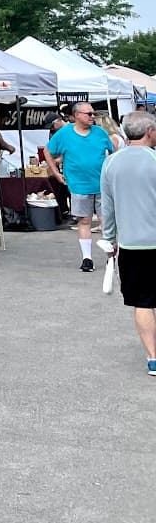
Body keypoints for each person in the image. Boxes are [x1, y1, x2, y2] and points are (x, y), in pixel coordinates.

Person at [100, 111, 156, 376]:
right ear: (150, 132)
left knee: (143, 302)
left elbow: (107, 208)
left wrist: (110, 239)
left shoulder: (110, 163)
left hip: (132, 245)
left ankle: (153, 358)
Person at [44, 103, 115, 272]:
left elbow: (113, 153)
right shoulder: (64, 134)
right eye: (88, 113)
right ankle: (87, 258)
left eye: (93, 113)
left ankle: (111, 258)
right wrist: (55, 173)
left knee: (107, 222)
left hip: (102, 184)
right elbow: (48, 151)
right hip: (78, 184)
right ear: (76, 115)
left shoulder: (100, 132)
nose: (92, 116)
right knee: (84, 221)